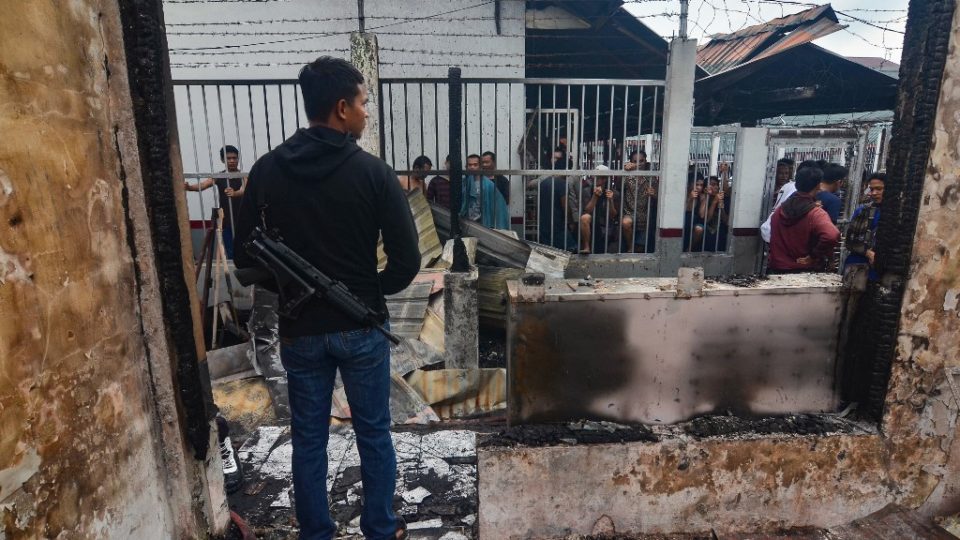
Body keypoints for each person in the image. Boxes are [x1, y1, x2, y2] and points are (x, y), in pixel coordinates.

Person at [233, 57, 420, 540]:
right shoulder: (375, 173)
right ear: (341, 108)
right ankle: (380, 528)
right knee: (374, 435)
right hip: (361, 330)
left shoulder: (267, 171)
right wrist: (366, 290)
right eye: (362, 103)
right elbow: (406, 262)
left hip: (300, 334)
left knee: (310, 439)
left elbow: (245, 260)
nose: (366, 113)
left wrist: (291, 289)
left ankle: (316, 532)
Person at [767, 167, 840, 274]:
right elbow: (832, 235)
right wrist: (813, 256)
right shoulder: (815, 213)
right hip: (804, 273)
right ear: (818, 185)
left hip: (776, 271)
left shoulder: (779, 211)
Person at [184, 144, 247, 258]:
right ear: (223, 160)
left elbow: (244, 190)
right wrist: (189, 187)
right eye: (228, 158)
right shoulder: (219, 176)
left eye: (234, 158)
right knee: (231, 251)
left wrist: (235, 193)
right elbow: (203, 185)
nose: (232, 161)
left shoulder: (243, 176)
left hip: (243, 219)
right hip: (226, 220)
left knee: (244, 249)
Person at [760, 159, 821, 243]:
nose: (784, 176)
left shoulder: (788, 185)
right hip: (777, 233)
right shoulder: (796, 191)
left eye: (786, 173)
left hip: (771, 229)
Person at [843, 172, 885, 282]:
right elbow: (850, 241)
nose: (874, 193)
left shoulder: (898, 214)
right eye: (871, 189)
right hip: (859, 266)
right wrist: (868, 253)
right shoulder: (862, 211)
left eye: (879, 189)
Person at [620, 151, 656, 253]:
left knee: (640, 250)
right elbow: (618, 187)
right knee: (626, 223)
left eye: (641, 161)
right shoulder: (627, 176)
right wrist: (624, 170)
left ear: (646, 161)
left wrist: (653, 194)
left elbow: (659, 197)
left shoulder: (651, 177)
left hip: (645, 218)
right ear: (631, 162)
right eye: (635, 161)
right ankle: (630, 248)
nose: (639, 163)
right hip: (629, 213)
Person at [578, 165, 620, 254]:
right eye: (595, 176)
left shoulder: (614, 193)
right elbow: (587, 211)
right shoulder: (587, 190)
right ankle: (586, 247)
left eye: (599, 177)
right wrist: (595, 197)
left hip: (606, 225)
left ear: (605, 179)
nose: (596, 179)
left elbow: (613, 215)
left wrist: (610, 200)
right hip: (591, 224)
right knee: (585, 217)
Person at [461, 153, 509, 229]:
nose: (472, 167)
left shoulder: (489, 185)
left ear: (480, 166)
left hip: (484, 224)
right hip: (465, 223)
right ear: (466, 167)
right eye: (469, 165)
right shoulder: (462, 183)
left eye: (475, 164)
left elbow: (500, 206)